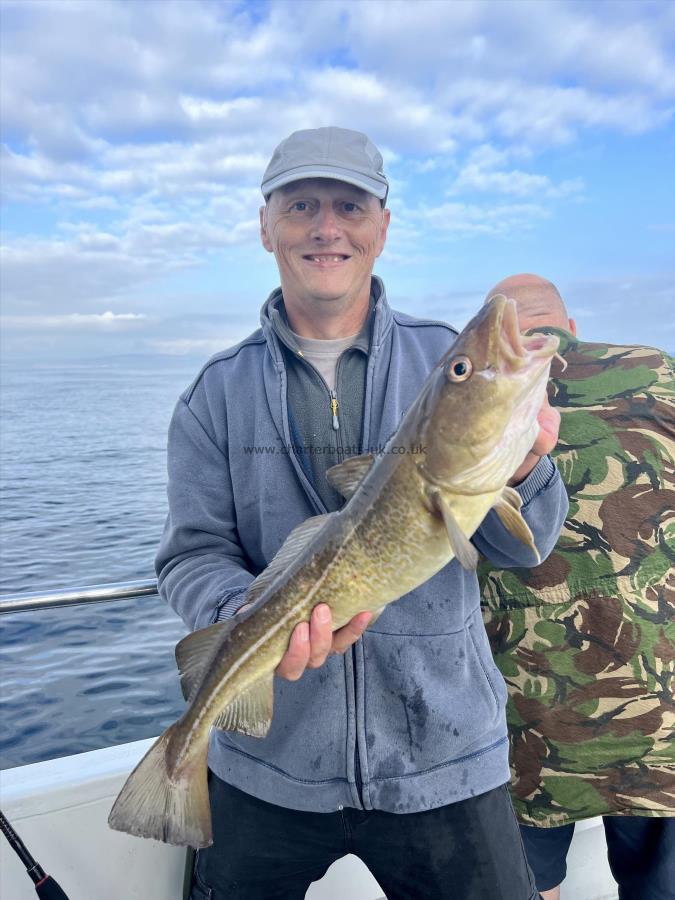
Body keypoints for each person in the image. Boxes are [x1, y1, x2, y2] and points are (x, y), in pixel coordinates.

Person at [155, 128, 568, 900]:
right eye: (301, 205)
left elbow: (526, 549)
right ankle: (176, 761)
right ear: (265, 225)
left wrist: (526, 467)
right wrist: (239, 611)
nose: (326, 227)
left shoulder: (441, 355)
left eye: (349, 206)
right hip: (267, 764)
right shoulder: (212, 395)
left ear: (382, 228)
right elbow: (190, 554)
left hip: (443, 760)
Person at [479, 274, 675, 900]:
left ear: (493, 330)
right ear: (573, 328)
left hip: (520, 717)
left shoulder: (475, 396)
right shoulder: (658, 371)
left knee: (529, 885)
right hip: (657, 711)